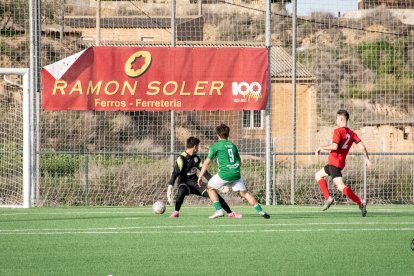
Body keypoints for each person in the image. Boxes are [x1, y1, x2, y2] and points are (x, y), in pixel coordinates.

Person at [197, 123, 270, 219]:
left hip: (224, 174)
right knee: (244, 193)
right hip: (236, 174)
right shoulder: (232, 145)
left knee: (209, 188)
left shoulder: (215, 146)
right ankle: (261, 211)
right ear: (228, 134)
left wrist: (200, 176)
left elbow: (206, 163)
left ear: (217, 135)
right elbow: (239, 162)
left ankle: (219, 211)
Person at [167, 136, 242, 219]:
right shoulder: (181, 158)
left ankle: (230, 213)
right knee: (181, 191)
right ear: (195, 146)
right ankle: (176, 212)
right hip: (185, 183)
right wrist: (170, 186)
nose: (199, 148)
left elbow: (205, 173)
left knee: (214, 194)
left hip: (196, 183)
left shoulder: (196, 158)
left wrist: (218, 185)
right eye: (198, 146)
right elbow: (175, 173)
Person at [314, 109, 371, 217]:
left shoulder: (338, 131)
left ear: (341, 119)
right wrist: (367, 158)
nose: (336, 120)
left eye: (336, 118)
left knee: (341, 186)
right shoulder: (352, 133)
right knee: (318, 175)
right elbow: (362, 147)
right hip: (337, 163)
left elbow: (335, 146)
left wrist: (321, 147)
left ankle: (360, 202)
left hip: (334, 163)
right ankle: (328, 198)